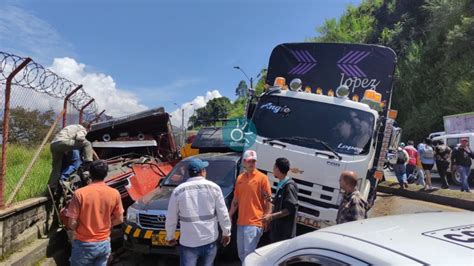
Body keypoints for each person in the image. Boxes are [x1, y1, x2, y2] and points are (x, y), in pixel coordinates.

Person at [165, 158, 231, 266]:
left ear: (189, 173)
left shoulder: (178, 191)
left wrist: (170, 236)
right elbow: (223, 213)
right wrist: (226, 232)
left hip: (188, 242)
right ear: (203, 172)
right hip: (209, 239)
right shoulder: (215, 188)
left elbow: (171, 217)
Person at [65, 160, 124, 266]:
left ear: (90, 174)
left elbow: (71, 223)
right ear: (105, 174)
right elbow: (119, 219)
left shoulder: (80, 193)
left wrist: (79, 228)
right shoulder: (114, 193)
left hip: (83, 244)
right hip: (104, 244)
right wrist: (107, 224)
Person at [228, 150, 272, 262]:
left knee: (249, 256)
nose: (251, 164)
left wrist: (267, 217)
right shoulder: (240, 179)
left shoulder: (262, 178)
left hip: (255, 222)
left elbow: (268, 200)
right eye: (249, 161)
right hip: (241, 222)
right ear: (244, 162)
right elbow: (236, 199)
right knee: (242, 254)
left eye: (253, 161)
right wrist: (230, 215)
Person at [49, 124, 94, 193]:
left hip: (54, 145)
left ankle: (52, 187)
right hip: (64, 142)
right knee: (87, 143)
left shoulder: (71, 126)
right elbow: (80, 138)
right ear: (88, 128)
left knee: (56, 168)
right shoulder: (82, 128)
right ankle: (88, 163)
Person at [261, 158, 298, 243]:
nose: (273, 170)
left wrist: (271, 216)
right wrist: (270, 199)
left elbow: (289, 209)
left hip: (284, 234)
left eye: (274, 167)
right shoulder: (282, 183)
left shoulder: (289, 186)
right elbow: (281, 203)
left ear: (277, 169)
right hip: (277, 231)